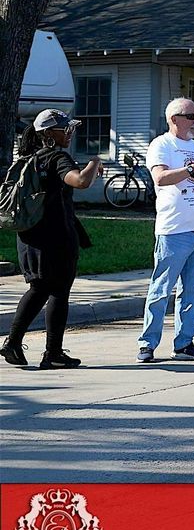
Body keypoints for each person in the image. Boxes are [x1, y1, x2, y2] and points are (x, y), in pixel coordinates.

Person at [1, 111, 103, 369]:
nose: (69, 132)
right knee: (58, 291)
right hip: (56, 238)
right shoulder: (58, 157)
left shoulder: (29, 159)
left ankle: (12, 343)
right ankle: (53, 353)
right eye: (63, 128)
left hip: (29, 237)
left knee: (38, 288)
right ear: (48, 134)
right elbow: (79, 181)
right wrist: (94, 162)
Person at [136, 97, 194, 363]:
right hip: (175, 230)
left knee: (191, 292)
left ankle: (184, 344)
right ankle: (147, 344)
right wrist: (190, 169)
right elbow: (160, 178)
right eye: (191, 116)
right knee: (161, 289)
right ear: (174, 119)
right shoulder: (162, 144)